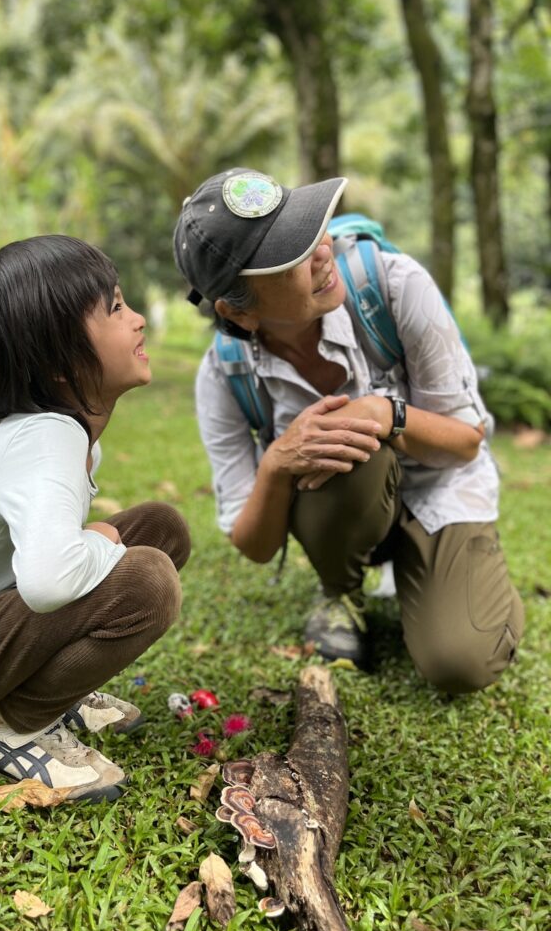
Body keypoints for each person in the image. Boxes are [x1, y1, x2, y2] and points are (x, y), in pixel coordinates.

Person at [173, 167, 523, 692]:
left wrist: (388, 414)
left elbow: (467, 440)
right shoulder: (225, 375)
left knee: (460, 662)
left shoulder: (395, 286)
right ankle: (342, 591)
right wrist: (277, 464)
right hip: (347, 509)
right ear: (237, 312)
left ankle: (431, 570)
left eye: (313, 230)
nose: (321, 252)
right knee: (337, 445)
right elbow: (253, 544)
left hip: (441, 488)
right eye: (292, 256)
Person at [0, 235, 190, 801]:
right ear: (57, 364)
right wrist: (99, 540)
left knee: (160, 529)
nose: (139, 320)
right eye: (117, 308)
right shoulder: (48, 436)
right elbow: (50, 581)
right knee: (148, 577)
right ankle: (11, 723)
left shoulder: (62, 435)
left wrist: (99, 542)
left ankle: (55, 691)